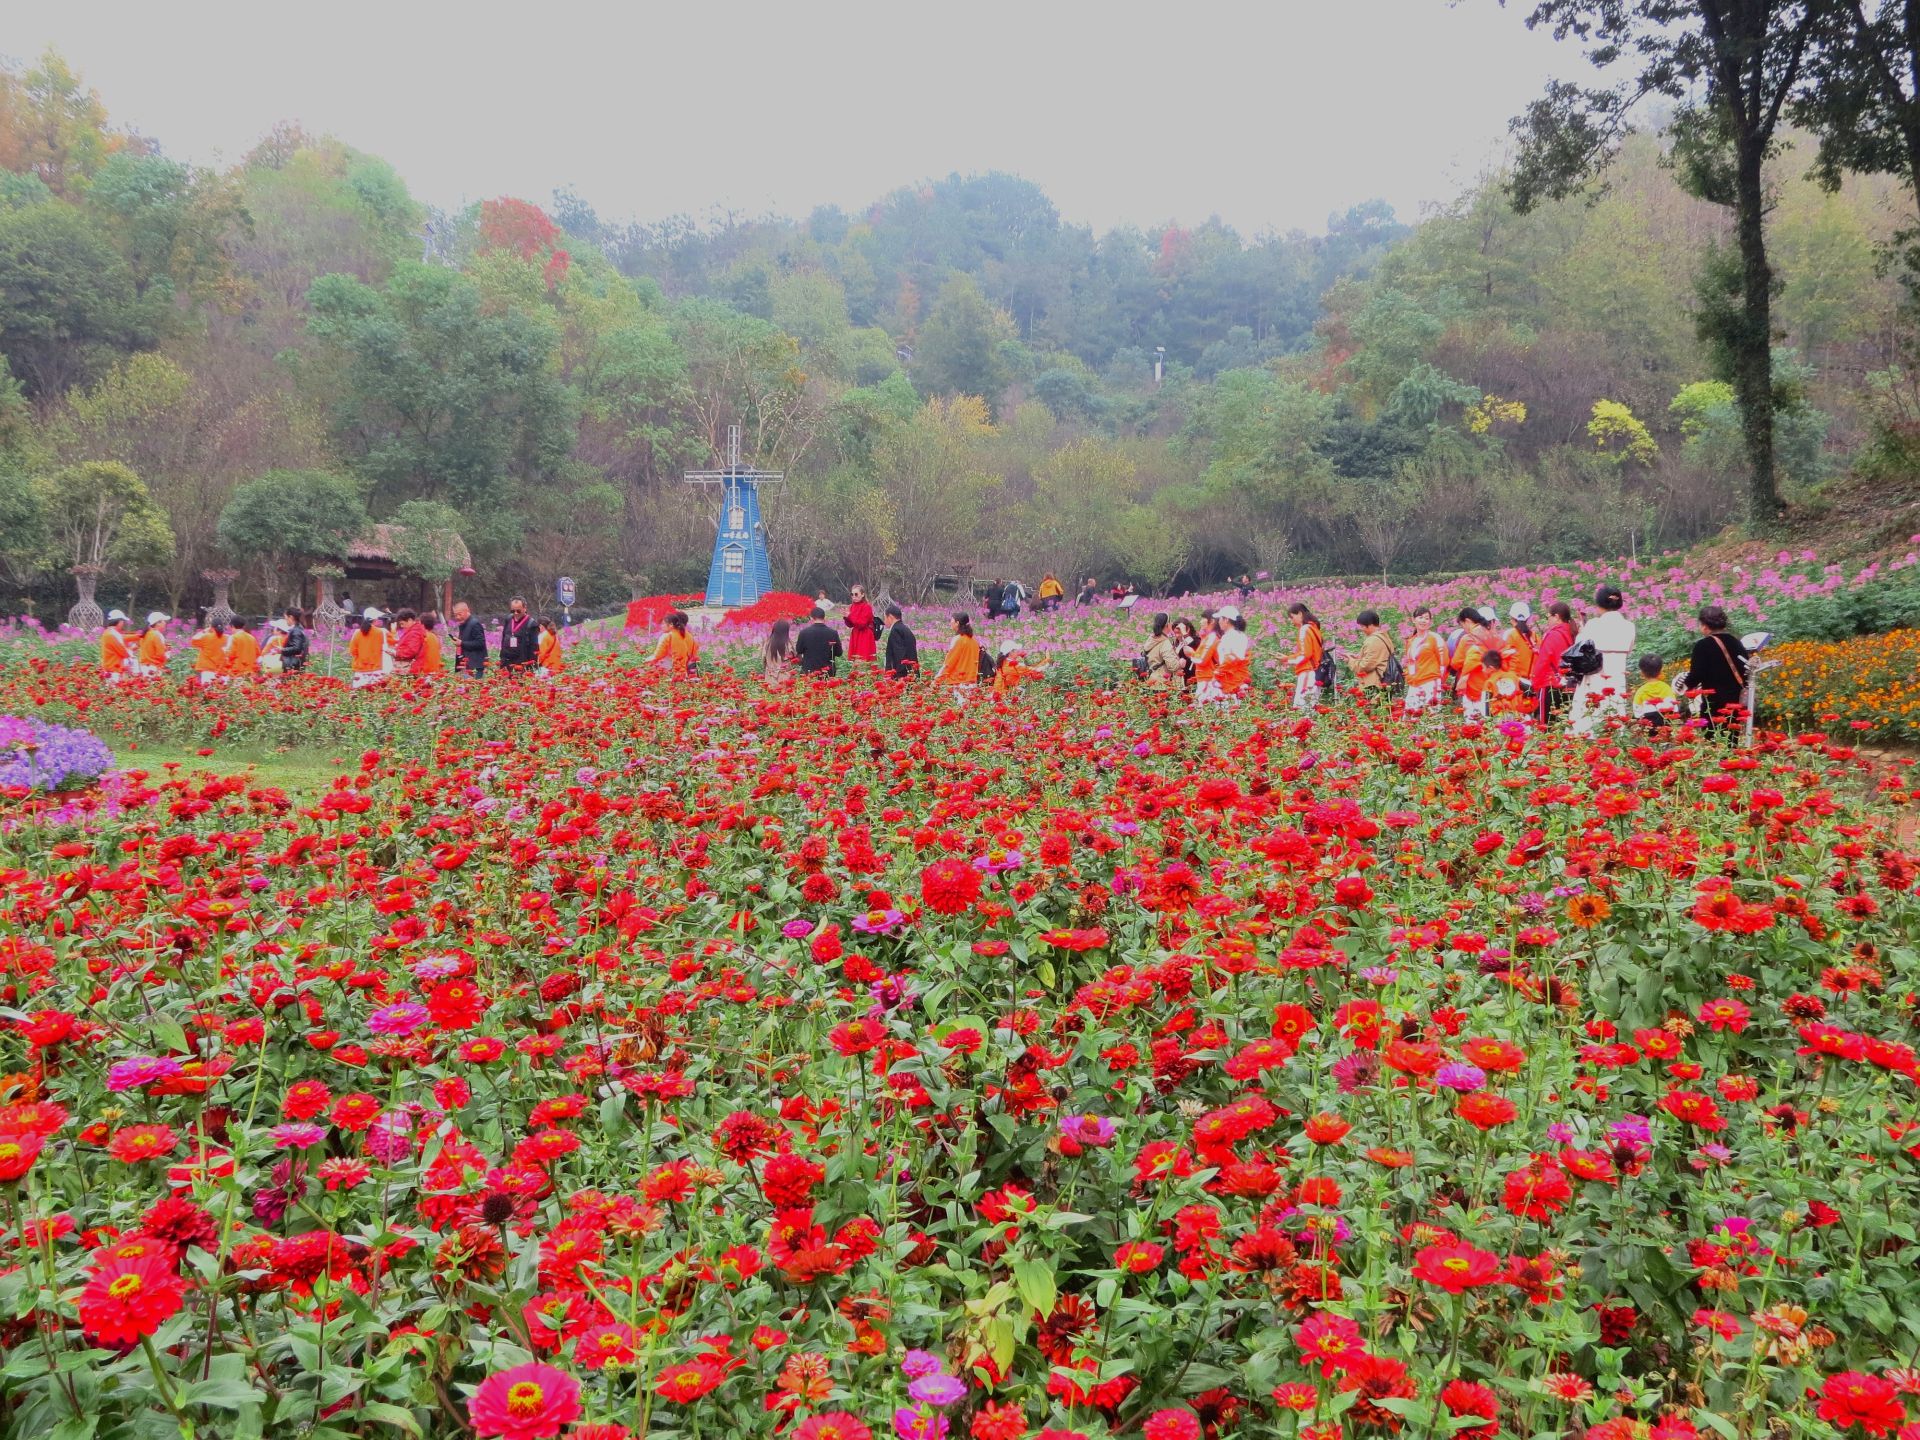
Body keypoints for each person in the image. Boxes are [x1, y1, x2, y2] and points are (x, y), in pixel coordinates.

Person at [1570, 583, 1636, 735]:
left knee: (1589, 724)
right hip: (1617, 683)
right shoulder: (1629, 626)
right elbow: (1629, 649)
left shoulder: (1593, 625)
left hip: (1594, 682)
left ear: (1599, 604)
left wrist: (1581, 630)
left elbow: (1578, 648)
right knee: (1614, 721)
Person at [1684, 605, 1750, 728]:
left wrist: (1685, 686)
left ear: (1704, 625)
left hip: (1713, 702)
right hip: (1734, 701)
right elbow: (1745, 668)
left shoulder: (1703, 645)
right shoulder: (1735, 642)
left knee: (1714, 738)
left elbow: (1696, 675)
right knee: (1731, 737)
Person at [1531, 601, 1576, 725]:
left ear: (1556, 617)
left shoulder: (1553, 634)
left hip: (1550, 685)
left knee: (1546, 726)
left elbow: (1543, 663)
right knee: (1563, 724)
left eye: (1548, 617)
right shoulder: (1572, 633)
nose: (1548, 620)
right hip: (1568, 685)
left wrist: (1534, 684)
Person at [1403, 607, 1446, 714]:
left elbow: (1443, 661)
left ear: (1430, 622)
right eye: (1420, 617)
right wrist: (1410, 677)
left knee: (1431, 715)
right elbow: (1410, 662)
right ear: (1413, 620)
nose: (1423, 621)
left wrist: (1438, 679)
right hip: (1414, 684)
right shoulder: (1411, 641)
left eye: (1426, 618)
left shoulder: (1435, 638)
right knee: (1411, 716)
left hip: (1430, 682)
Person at [1284, 602, 1324, 710]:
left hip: (1308, 672)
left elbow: (1305, 654)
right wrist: (1287, 658)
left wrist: (1287, 660)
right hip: (1316, 672)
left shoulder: (1304, 629)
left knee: (1301, 708)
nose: (1292, 621)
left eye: (1292, 617)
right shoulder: (1314, 628)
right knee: (1311, 709)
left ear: (1300, 614)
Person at [1343, 610, 1393, 693]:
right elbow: (1377, 658)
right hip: (1383, 680)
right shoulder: (1384, 637)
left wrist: (1350, 660)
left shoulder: (1373, 640)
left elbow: (1365, 666)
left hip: (1374, 684)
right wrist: (1358, 657)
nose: (1362, 629)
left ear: (1370, 625)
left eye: (1362, 626)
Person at [1213, 606, 1253, 703]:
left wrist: (1217, 673)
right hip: (1239, 675)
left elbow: (1230, 658)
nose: (1218, 622)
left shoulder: (1229, 637)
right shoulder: (1240, 635)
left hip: (1230, 677)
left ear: (1226, 620)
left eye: (1220, 619)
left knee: (1229, 707)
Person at [935, 612, 980, 695]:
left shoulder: (958, 640)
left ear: (957, 623)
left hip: (959, 682)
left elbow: (949, 662)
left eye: (951, 621)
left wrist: (937, 681)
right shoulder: (974, 641)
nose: (950, 623)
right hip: (972, 681)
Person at [793, 607, 841, 676]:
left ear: (812, 617)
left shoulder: (804, 632)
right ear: (824, 617)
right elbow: (839, 653)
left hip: (809, 670)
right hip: (827, 671)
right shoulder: (833, 633)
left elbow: (799, 650)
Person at [650, 610, 700, 676]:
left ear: (672, 623)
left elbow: (658, 655)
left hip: (669, 671)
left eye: (664, 623)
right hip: (684, 672)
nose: (661, 625)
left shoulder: (668, 635)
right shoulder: (690, 637)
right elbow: (694, 657)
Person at [1633, 654, 1678, 726]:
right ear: (1660, 671)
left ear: (1642, 673)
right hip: (1666, 726)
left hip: (1648, 728)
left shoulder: (1641, 691)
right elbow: (1675, 709)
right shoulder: (1666, 688)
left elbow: (1637, 714)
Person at [1142, 613, 1182, 690]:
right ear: (1167, 624)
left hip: (1152, 679)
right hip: (1163, 682)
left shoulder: (1151, 639)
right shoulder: (1165, 642)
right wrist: (1181, 663)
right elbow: (1172, 666)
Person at [499, 597, 538, 674]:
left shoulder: (532, 624)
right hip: (507, 662)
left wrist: (530, 668)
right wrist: (502, 659)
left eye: (518, 610)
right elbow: (504, 639)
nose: (515, 613)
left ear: (525, 608)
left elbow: (534, 648)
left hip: (521, 664)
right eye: (513, 611)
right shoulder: (508, 619)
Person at [1190, 613, 1223, 704]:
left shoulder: (1212, 638)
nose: (1200, 622)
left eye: (1203, 619)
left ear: (1211, 621)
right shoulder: (1208, 637)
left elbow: (1202, 660)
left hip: (1208, 680)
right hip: (1205, 678)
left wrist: (1191, 653)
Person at [1486, 650, 1530, 718]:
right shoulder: (1513, 676)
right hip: (1518, 716)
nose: (1483, 670)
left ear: (1491, 668)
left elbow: (1486, 705)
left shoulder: (1490, 682)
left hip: (1499, 717)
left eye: (1483, 668)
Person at [349, 612, 387, 688]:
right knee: (375, 694)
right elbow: (384, 647)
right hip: (375, 669)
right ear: (375, 620)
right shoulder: (379, 632)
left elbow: (352, 651)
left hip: (360, 669)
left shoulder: (358, 633)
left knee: (358, 695)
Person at [1503, 603, 1536, 691]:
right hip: (1532, 683)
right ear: (1527, 619)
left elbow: (1504, 660)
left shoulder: (1510, 635)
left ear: (1512, 619)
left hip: (1515, 682)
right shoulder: (1535, 636)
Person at [189, 619, 228, 688]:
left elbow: (193, 640)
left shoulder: (206, 637)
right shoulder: (227, 638)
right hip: (222, 671)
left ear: (212, 627)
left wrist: (205, 631)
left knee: (208, 694)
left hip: (208, 670)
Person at [883, 605, 919, 678]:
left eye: (885, 618)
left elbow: (898, 655)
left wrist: (896, 676)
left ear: (890, 617)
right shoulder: (905, 629)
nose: (884, 621)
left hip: (902, 675)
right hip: (910, 671)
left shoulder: (895, 631)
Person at [452, 602, 487, 677]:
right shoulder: (463, 624)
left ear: (467, 611)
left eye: (459, 614)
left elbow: (480, 643)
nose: (457, 617)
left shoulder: (474, 624)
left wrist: (462, 643)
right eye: (455, 615)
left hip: (475, 666)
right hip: (466, 665)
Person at [845, 586, 878, 663]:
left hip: (865, 635)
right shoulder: (852, 606)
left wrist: (850, 616)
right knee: (855, 659)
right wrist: (846, 618)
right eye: (852, 594)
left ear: (862, 594)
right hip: (856, 634)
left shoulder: (867, 607)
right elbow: (850, 625)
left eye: (856, 594)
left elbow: (862, 624)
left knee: (864, 658)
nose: (854, 596)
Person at [100, 610, 133, 682]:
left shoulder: (109, 632)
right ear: (119, 621)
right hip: (113, 670)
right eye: (122, 621)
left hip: (112, 668)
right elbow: (122, 651)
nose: (123, 623)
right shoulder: (112, 634)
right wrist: (131, 651)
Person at [135, 612, 171, 677]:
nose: (165, 623)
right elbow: (160, 654)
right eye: (163, 621)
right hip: (153, 668)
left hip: (144, 667)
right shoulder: (157, 635)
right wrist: (167, 653)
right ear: (158, 623)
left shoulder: (146, 634)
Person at [762, 617, 795, 683]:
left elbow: (763, 659)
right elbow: (794, 659)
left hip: (770, 677)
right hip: (785, 677)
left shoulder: (767, 643)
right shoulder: (788, 644)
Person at [392, 609, 427, 673]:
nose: (402, 626)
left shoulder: (415, 632)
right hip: (412, 667)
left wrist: (395, 652)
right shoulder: (413, 631)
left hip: (411, 667)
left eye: (402, 623)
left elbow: (411, 651)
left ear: (410, 620)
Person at [416, 612, 444, 677]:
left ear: (421, 624)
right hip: (436, 670)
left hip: (425, 671)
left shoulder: (423, 636)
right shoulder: (435, 637)